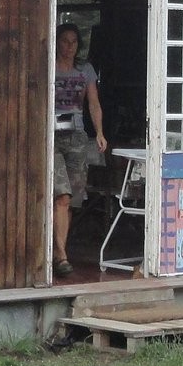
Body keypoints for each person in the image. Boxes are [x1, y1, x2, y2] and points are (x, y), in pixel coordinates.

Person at [51, 23, 106, 277]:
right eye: (65, 41)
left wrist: (99, 132)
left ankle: (57, 251)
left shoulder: (85, 70)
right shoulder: (49, 65)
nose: (69, 46)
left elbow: (93, 103)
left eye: (74, 42)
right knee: (61, 195)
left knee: (71, 199)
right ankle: (61, 256)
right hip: (52, 135)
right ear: (57, 42)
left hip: (76, 135)